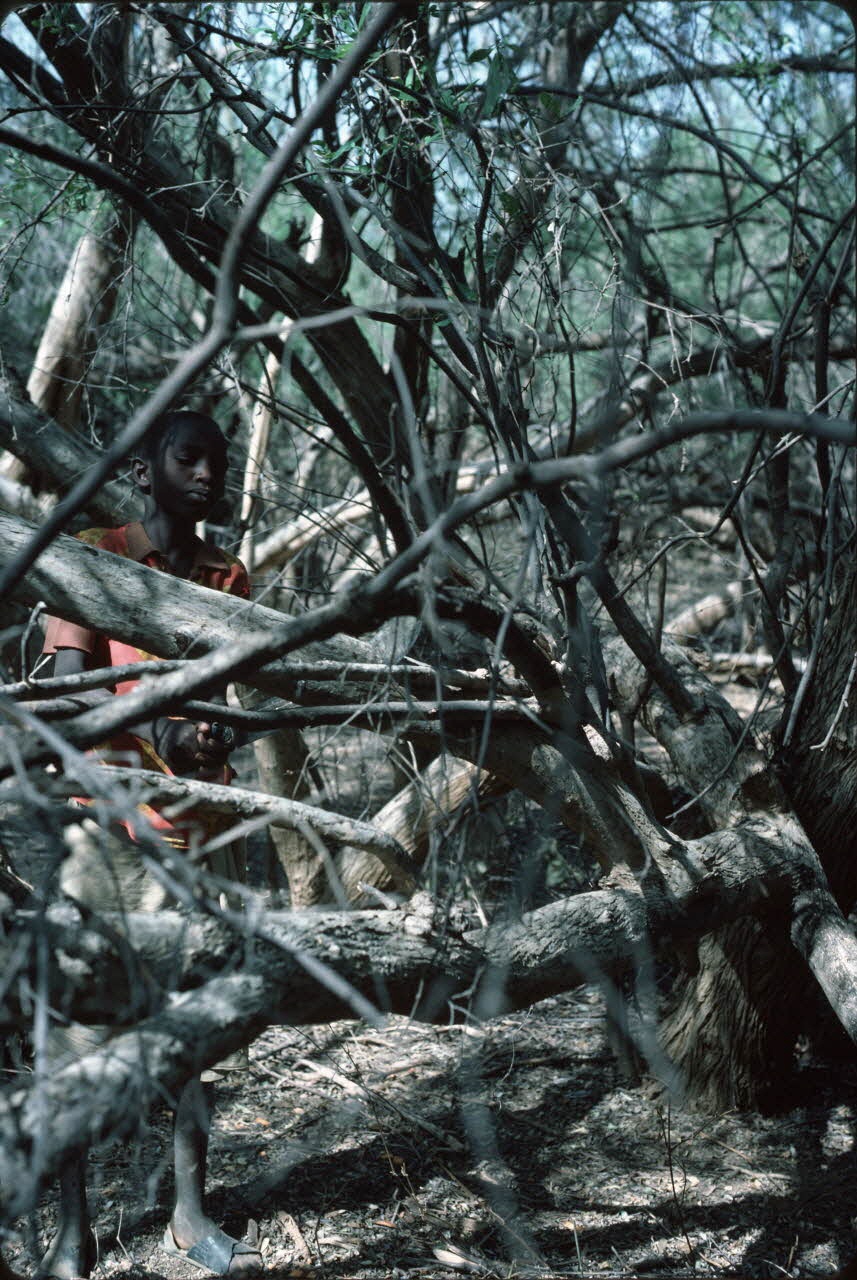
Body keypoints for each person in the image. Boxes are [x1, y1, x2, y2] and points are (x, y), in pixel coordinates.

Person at [37, 410, 261, 1278]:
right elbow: (66, 702)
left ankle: (187, 1214)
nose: (206, 474)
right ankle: (71, 1232)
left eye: (218, 460)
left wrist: (207, 742)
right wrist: (145, 733)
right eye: (188, 457)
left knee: (196, 1024)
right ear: (145, 466)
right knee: (84, 1028)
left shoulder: (225, 574)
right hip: (108, 832)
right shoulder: (95, 552)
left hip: (200, 826)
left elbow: (226, 704)